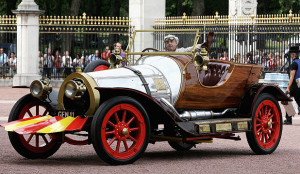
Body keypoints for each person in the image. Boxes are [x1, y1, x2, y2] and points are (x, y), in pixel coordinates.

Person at [285, 45, 300, 125]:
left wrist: (288, 87)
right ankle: (288, 118)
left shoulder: (294, 64)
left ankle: (288, 119)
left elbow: (292, 76)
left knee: (286, 100)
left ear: (293, 54)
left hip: (294, 85)